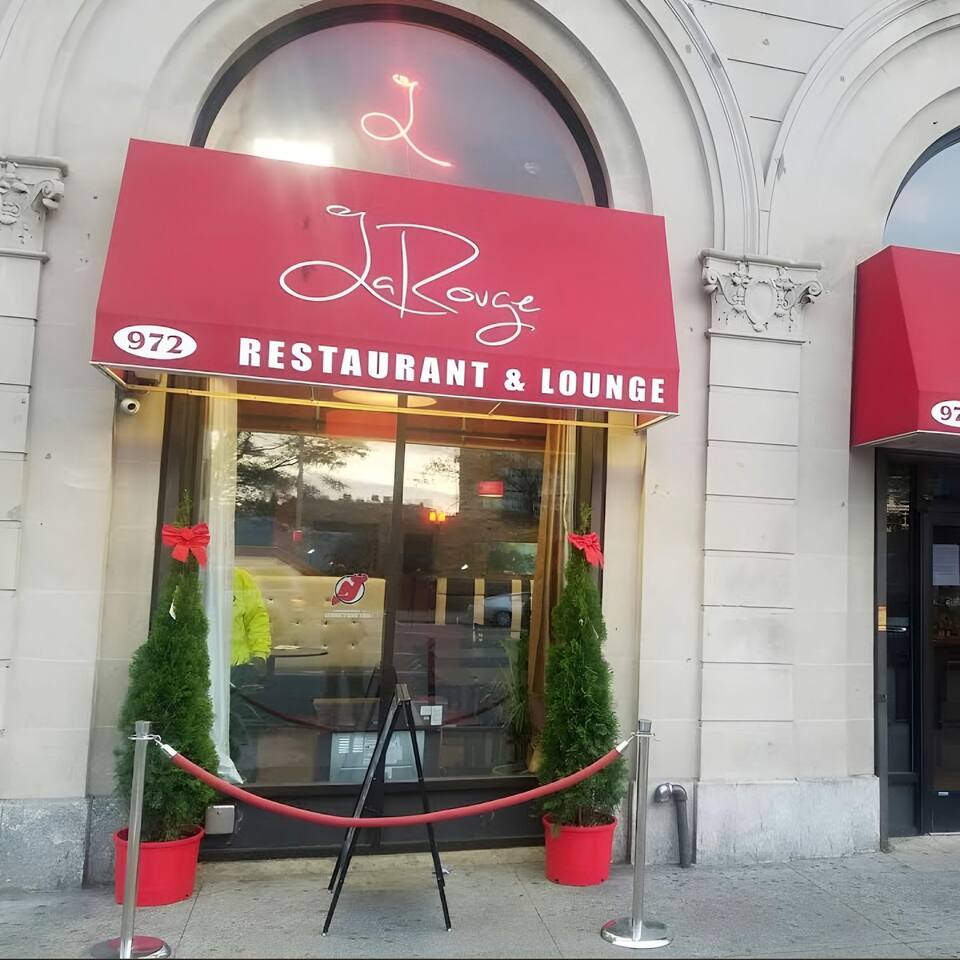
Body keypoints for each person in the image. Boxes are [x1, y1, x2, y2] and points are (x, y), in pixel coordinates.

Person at [231, 566, 272, 683]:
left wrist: (259, 655)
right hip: (192, 667)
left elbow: (256, 618)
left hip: (237, 667)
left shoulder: (240, 578)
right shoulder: (186, 578)